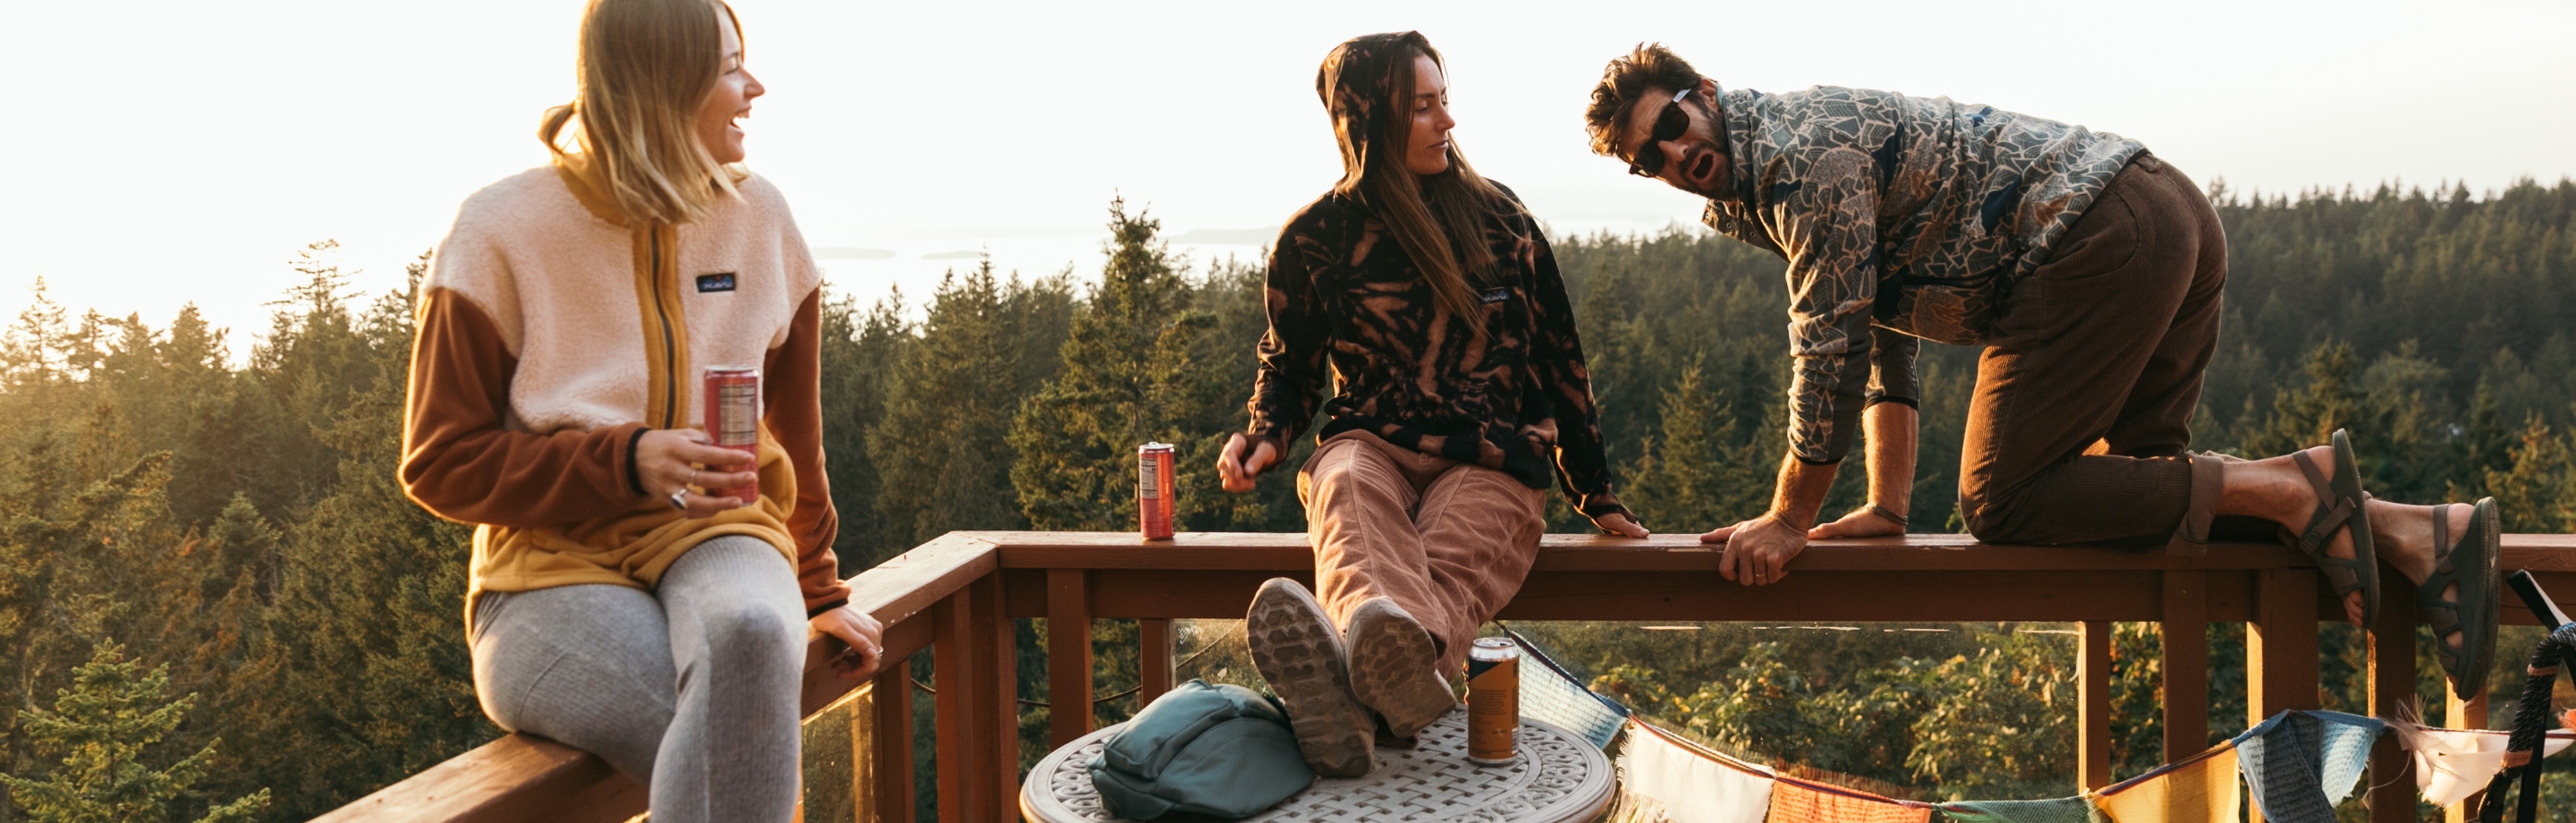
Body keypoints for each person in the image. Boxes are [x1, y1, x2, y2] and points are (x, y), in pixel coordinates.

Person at [1580, 44, 2499, 699]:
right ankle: (2417, 534)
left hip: (2098, 234)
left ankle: (2301, 484)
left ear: (1703, 90)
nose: (1669, 154)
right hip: (2158, 209)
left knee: (2005, 499)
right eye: (1644, 160)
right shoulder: (1768, 179)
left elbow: (1828, 342)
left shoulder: (1796, 154)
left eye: (1668, 124)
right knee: (2147, 498)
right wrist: (1889, 506)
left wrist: (1790, 518)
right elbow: (1878, 326)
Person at [399, 2, 882, 819]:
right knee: (735, 751)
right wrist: (624, 461)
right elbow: (439, 461)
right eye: (732, 66)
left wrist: (822, 595)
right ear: (665, 84)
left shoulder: (761, 219)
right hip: (547, 572)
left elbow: (797, 430)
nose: (755, 86)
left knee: (757, 640)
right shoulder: (499, 231)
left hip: (725, 533)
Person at [1216, 31, 1649, 778]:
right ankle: (1380, 678)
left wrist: (1594, 489)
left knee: (1441, 566)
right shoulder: (1314, 239)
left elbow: (1559, 356)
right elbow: (1288, 368)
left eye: (1444, 101)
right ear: (1366, 121)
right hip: (1370, 442)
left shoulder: (1499, 219)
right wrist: (1265, 434)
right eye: (1423, 107)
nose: (1447, 122)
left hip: (1492, 451)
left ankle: (1348, 707)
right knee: (1344, 481)